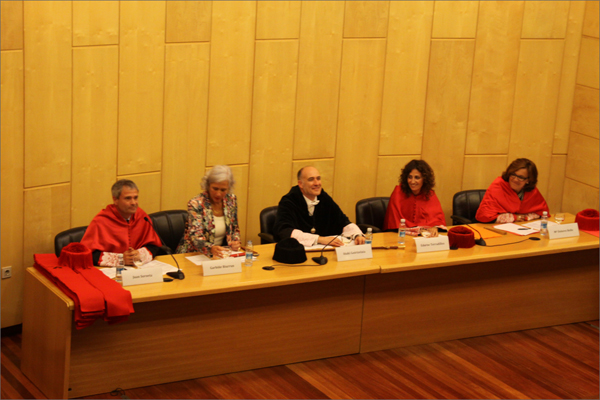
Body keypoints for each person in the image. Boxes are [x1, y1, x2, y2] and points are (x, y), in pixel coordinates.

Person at [273, 166, 365, 247]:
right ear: (300, 184)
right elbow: (285, 231)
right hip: (297, 253)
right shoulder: (289, 201)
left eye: (318, 178)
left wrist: (357, 234)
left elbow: (343, 221)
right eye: (311, 179)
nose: (317, 183)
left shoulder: (324, 197)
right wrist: (319, 239)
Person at [81, 179, 162, 267]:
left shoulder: (142, 216)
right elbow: (88, 254)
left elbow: (154, 246)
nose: (134, 203)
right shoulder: (101, 221)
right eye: (128, 198)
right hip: (112, 272)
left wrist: (139, 254)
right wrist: (120, 259)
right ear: (115, 200)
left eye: (135, 198)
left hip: (138, 270)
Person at [176, 165, 241, 258]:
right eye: (215, 188)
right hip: (194, 254)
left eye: (223, 190)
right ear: (207, 185)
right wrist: (210, 248)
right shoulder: (196, 204)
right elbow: (196, 237)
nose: (218, 194)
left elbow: (234, 228)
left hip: (220, 254)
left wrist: (235, 241)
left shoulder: (231, 200)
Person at [476, 158, 550, 223]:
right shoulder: (498, 185)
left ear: (528, 180)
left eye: (520, 177)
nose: (515, 179)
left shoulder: (532, 191)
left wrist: (525, 217)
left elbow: (543, 213)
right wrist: (514, 217)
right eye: (513, 175)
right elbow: (484, 216)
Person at [383, 159, 446, 235]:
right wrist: (418, 230)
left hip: (425, 237)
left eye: (417, 177)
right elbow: (394, 223)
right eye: (410, 177)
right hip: (401, 235)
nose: (412, 181)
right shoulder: (398, 193)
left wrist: (435, 227)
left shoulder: (430, 194)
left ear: (424, 179)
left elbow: (437, 219)